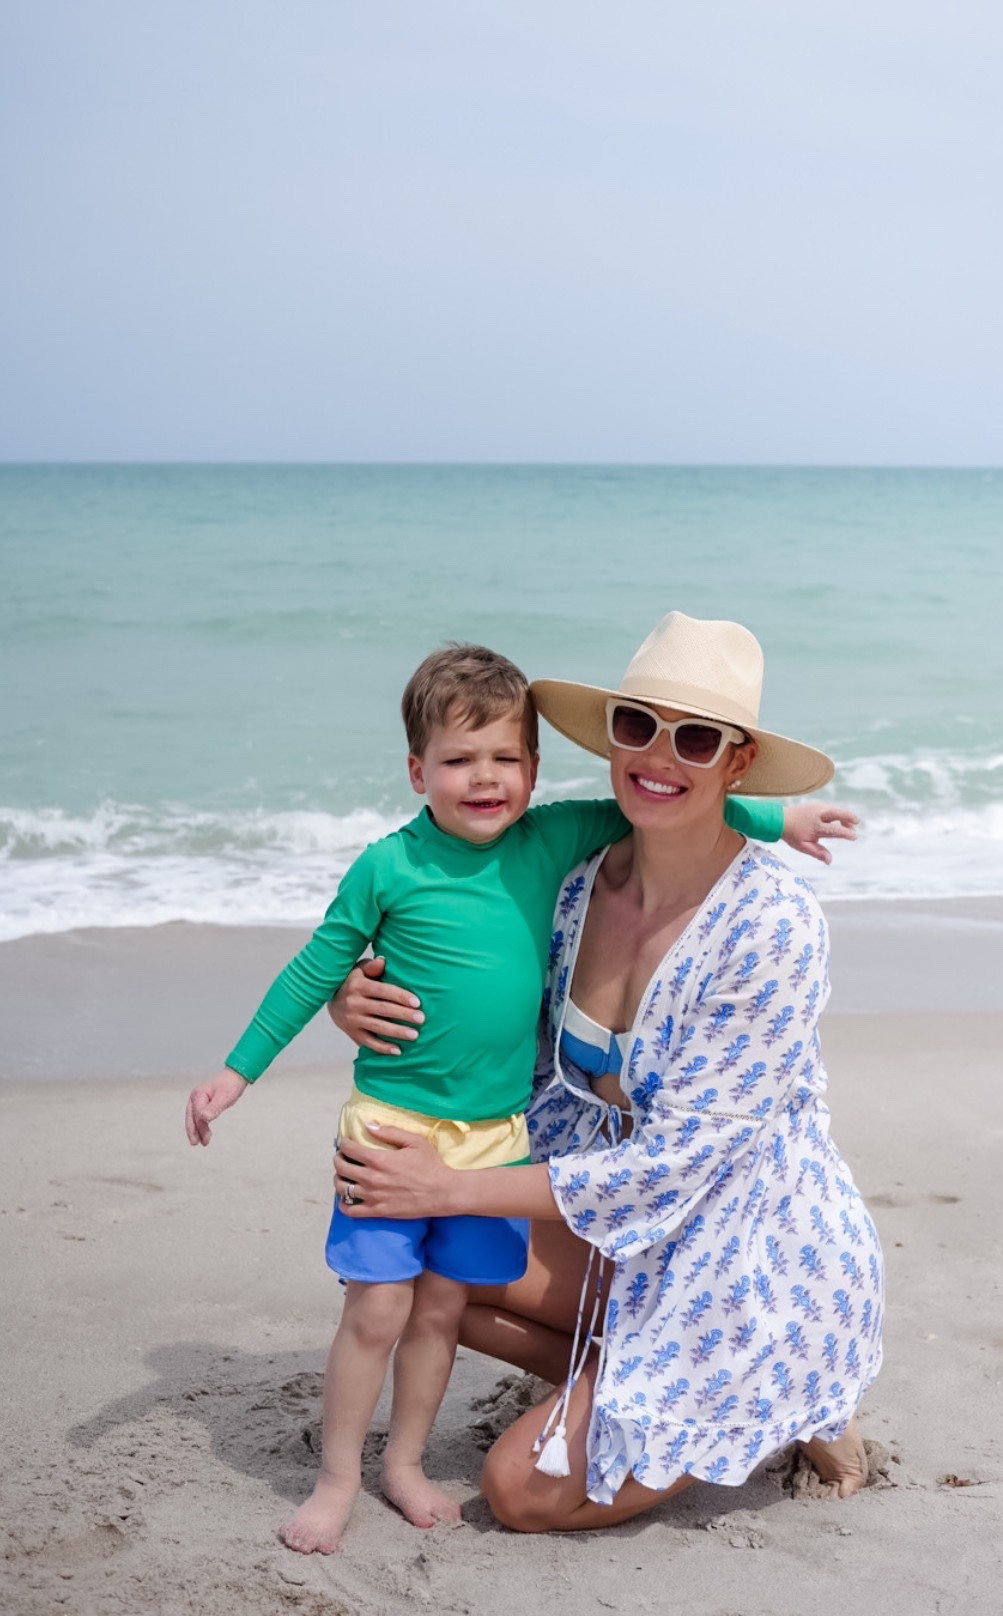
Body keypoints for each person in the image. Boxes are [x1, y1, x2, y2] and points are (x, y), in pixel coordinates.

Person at [184, 641, 834, 1555]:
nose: (484, 779)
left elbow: (657, 809)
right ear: (418, 771)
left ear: (534, 768)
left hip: (654, 1211)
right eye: (639, 725)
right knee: (394, 1301)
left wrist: (782, 821)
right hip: (459, 1148)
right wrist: (298, 1030)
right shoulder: (475, 868)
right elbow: (349, 961)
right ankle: (351, 1473)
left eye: (697, 738)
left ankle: (747, 1385)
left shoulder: (643, 878)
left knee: (475, 1379)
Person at [331, 611, 883, 1534]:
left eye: (696, 738)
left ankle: (778, 1393)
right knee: (428, 1265)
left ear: (736, 765)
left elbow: (680, 1164)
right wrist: (360, 997)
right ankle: (629, 1381)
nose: (659, 757)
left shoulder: (772, 927)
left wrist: (456, 1181)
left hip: (737, 1249)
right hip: (620, 1234)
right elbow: (473, 980)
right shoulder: (577, 878)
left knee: (516, 1491)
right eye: (639, 727)